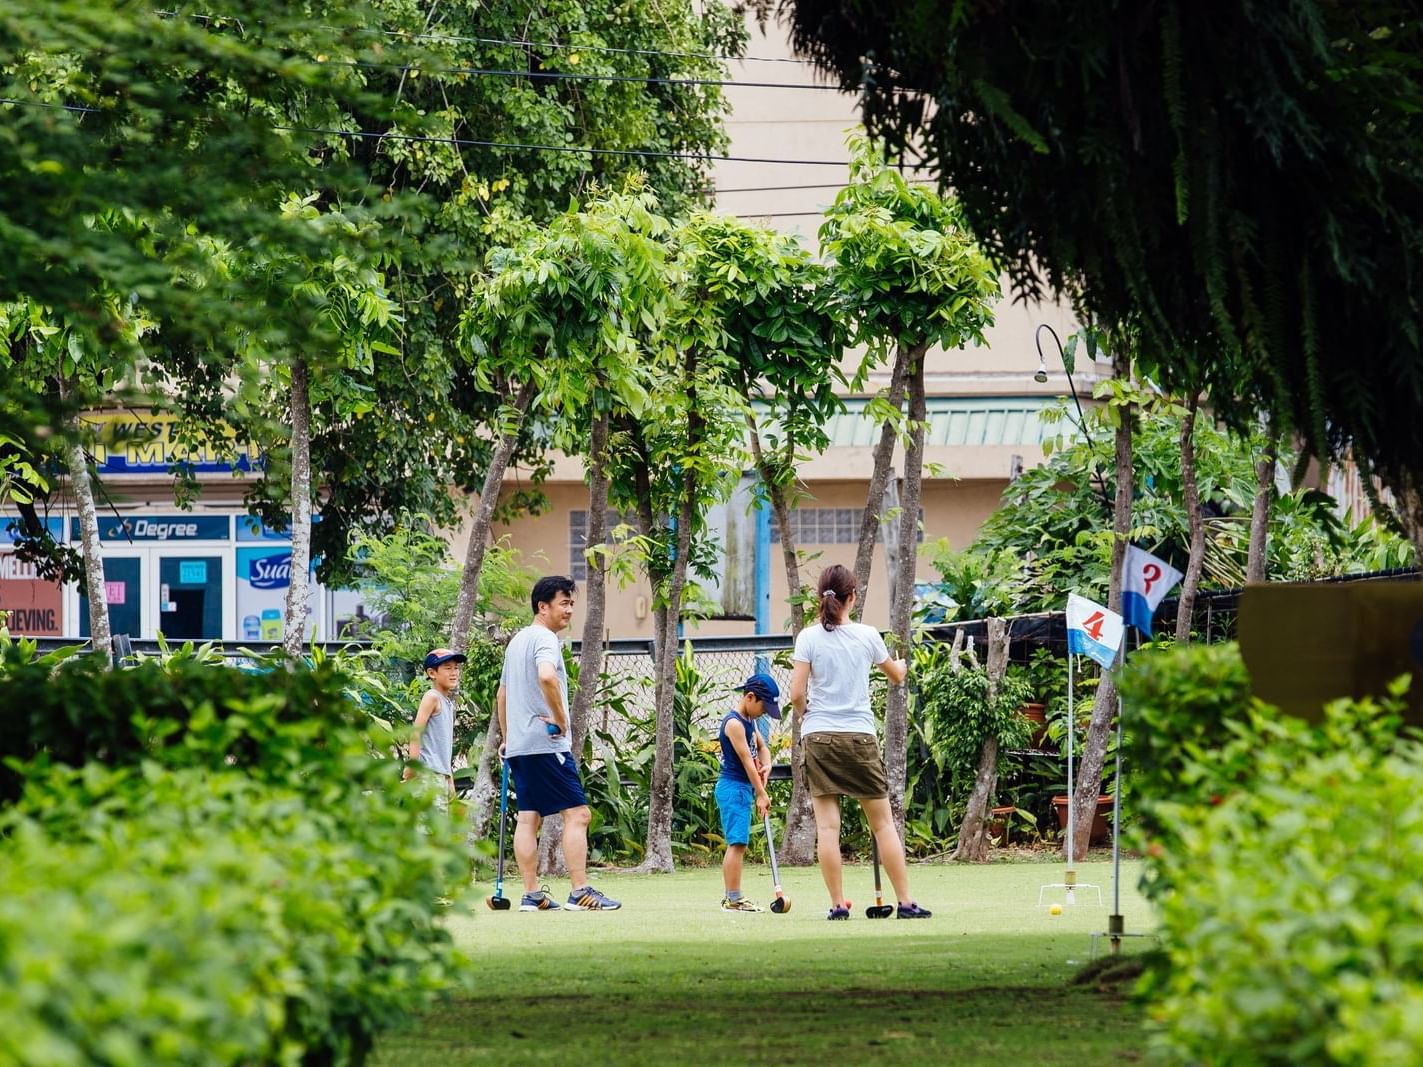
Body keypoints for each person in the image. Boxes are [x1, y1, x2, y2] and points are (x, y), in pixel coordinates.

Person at [788, 564, 932, 920]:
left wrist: (810, 716)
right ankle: (906, 903)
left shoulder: (808, 637)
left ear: (821, 596)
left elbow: (795, 695)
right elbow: (896, 676)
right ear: (852, 597)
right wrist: (900, 664)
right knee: (883, 824)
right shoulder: (868, 635)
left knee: (827, 828)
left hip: (819, 737)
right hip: (860, 736)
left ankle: (837, 905)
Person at [498, 575, 622, 912]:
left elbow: (503, 694)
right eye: (564, 603)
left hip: (522, 746)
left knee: (528, 819)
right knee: (578, 815)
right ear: (543, 606)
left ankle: (531, 894)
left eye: (571, 604)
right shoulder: (545, 639)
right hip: (546, 744)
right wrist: (562, 719)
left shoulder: (517, 642)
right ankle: (579, 891)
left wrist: (509, 738)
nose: (569, 610)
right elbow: (547, 676)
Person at [715, 673, 779, 912]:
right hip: (733, 788)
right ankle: (732, 899)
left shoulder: (749, 721)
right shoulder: (734, 724)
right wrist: (761, 793)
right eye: (764, 706)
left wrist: (768, 764)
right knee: (737, 843)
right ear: (750, 697)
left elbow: (762, 749)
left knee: (740, 842)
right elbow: (745, 761)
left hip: (742, 788)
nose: (764, 712)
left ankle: (734, 898)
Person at [404, 647, 466, 803]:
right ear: (432, 673)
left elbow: (443, 746)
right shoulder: (432, 697)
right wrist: (412, 767)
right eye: (448, 668)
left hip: (440, 775)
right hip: (427, 774)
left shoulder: (448, 703)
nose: (454, 673)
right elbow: (416, 732)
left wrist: (449, 779)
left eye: (456, 668)